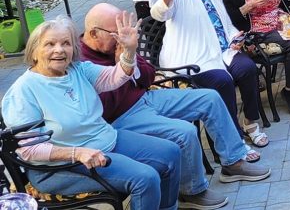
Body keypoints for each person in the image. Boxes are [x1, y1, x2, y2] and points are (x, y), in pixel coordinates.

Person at [81, 3, 270, 210]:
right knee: (185, 132)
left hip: (146, 98)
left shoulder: (118, 45)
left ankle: (232, 162)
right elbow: (103, 108)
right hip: (121, 117)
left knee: (210, 98)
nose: (122, 37)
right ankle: (192, 192)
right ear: (94, 33)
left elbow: (149, 75)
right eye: (116, 33)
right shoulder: (82, 62)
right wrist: (121, 67)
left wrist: (129, 59)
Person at [1, 16, 181, 210]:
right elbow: (28, 150)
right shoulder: (23, 91)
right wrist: (76, 153)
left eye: (66, 43)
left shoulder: (78, 70)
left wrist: (129, 50)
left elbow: (115, 77)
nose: (59, 50)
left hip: (105, 140)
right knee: (145, 178)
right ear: (34, 51)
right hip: (60, 166)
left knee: (170, 152)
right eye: (50, 44)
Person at [151, 0, 269, 149]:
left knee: (248, 68)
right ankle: (234, 138)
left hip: (222, 52)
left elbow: (226, 26)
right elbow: (160, 14)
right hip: (193, 59)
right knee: (223, 81)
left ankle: (251, 122)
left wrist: (235, 38)